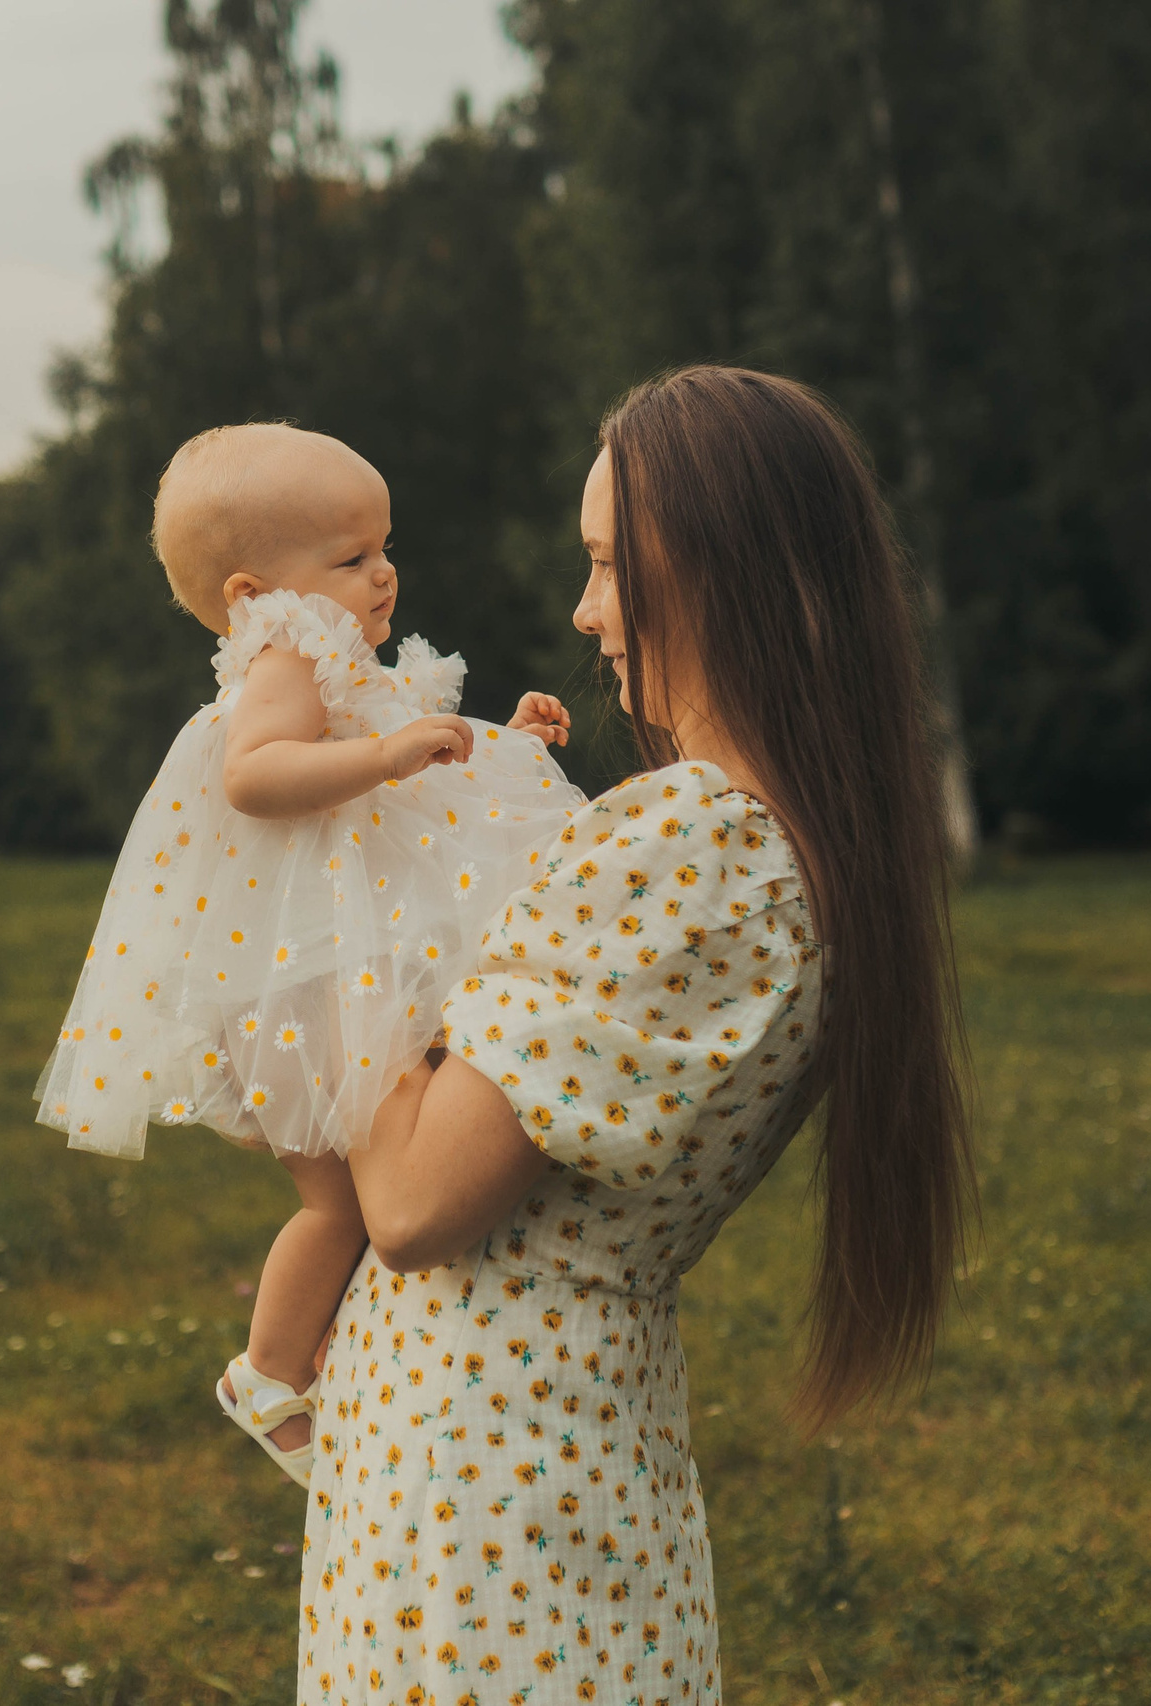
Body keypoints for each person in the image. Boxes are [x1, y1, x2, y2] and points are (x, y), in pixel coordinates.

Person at [295, 367, 977, 1702]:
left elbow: (419, 1197)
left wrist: (324, 909)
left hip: (487, 1477)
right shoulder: (762, 841)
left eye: (611, 565)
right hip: (545, 1447)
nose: (584, 608)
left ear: (725, 574)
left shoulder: (697, 841)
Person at [34, 423, 577, 1483]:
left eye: (381, 546)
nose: (383, 573)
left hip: (345, 958)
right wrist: (380, 753)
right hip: (305, 972)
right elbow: (256, 775)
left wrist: (503, 736)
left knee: (377, 1173)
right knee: (339, 1202)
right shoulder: (284, 662)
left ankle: (328, 1350)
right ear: (253, 593)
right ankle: (269, 1375)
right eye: (348, 557)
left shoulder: (343, 669)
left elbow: (425, 786)